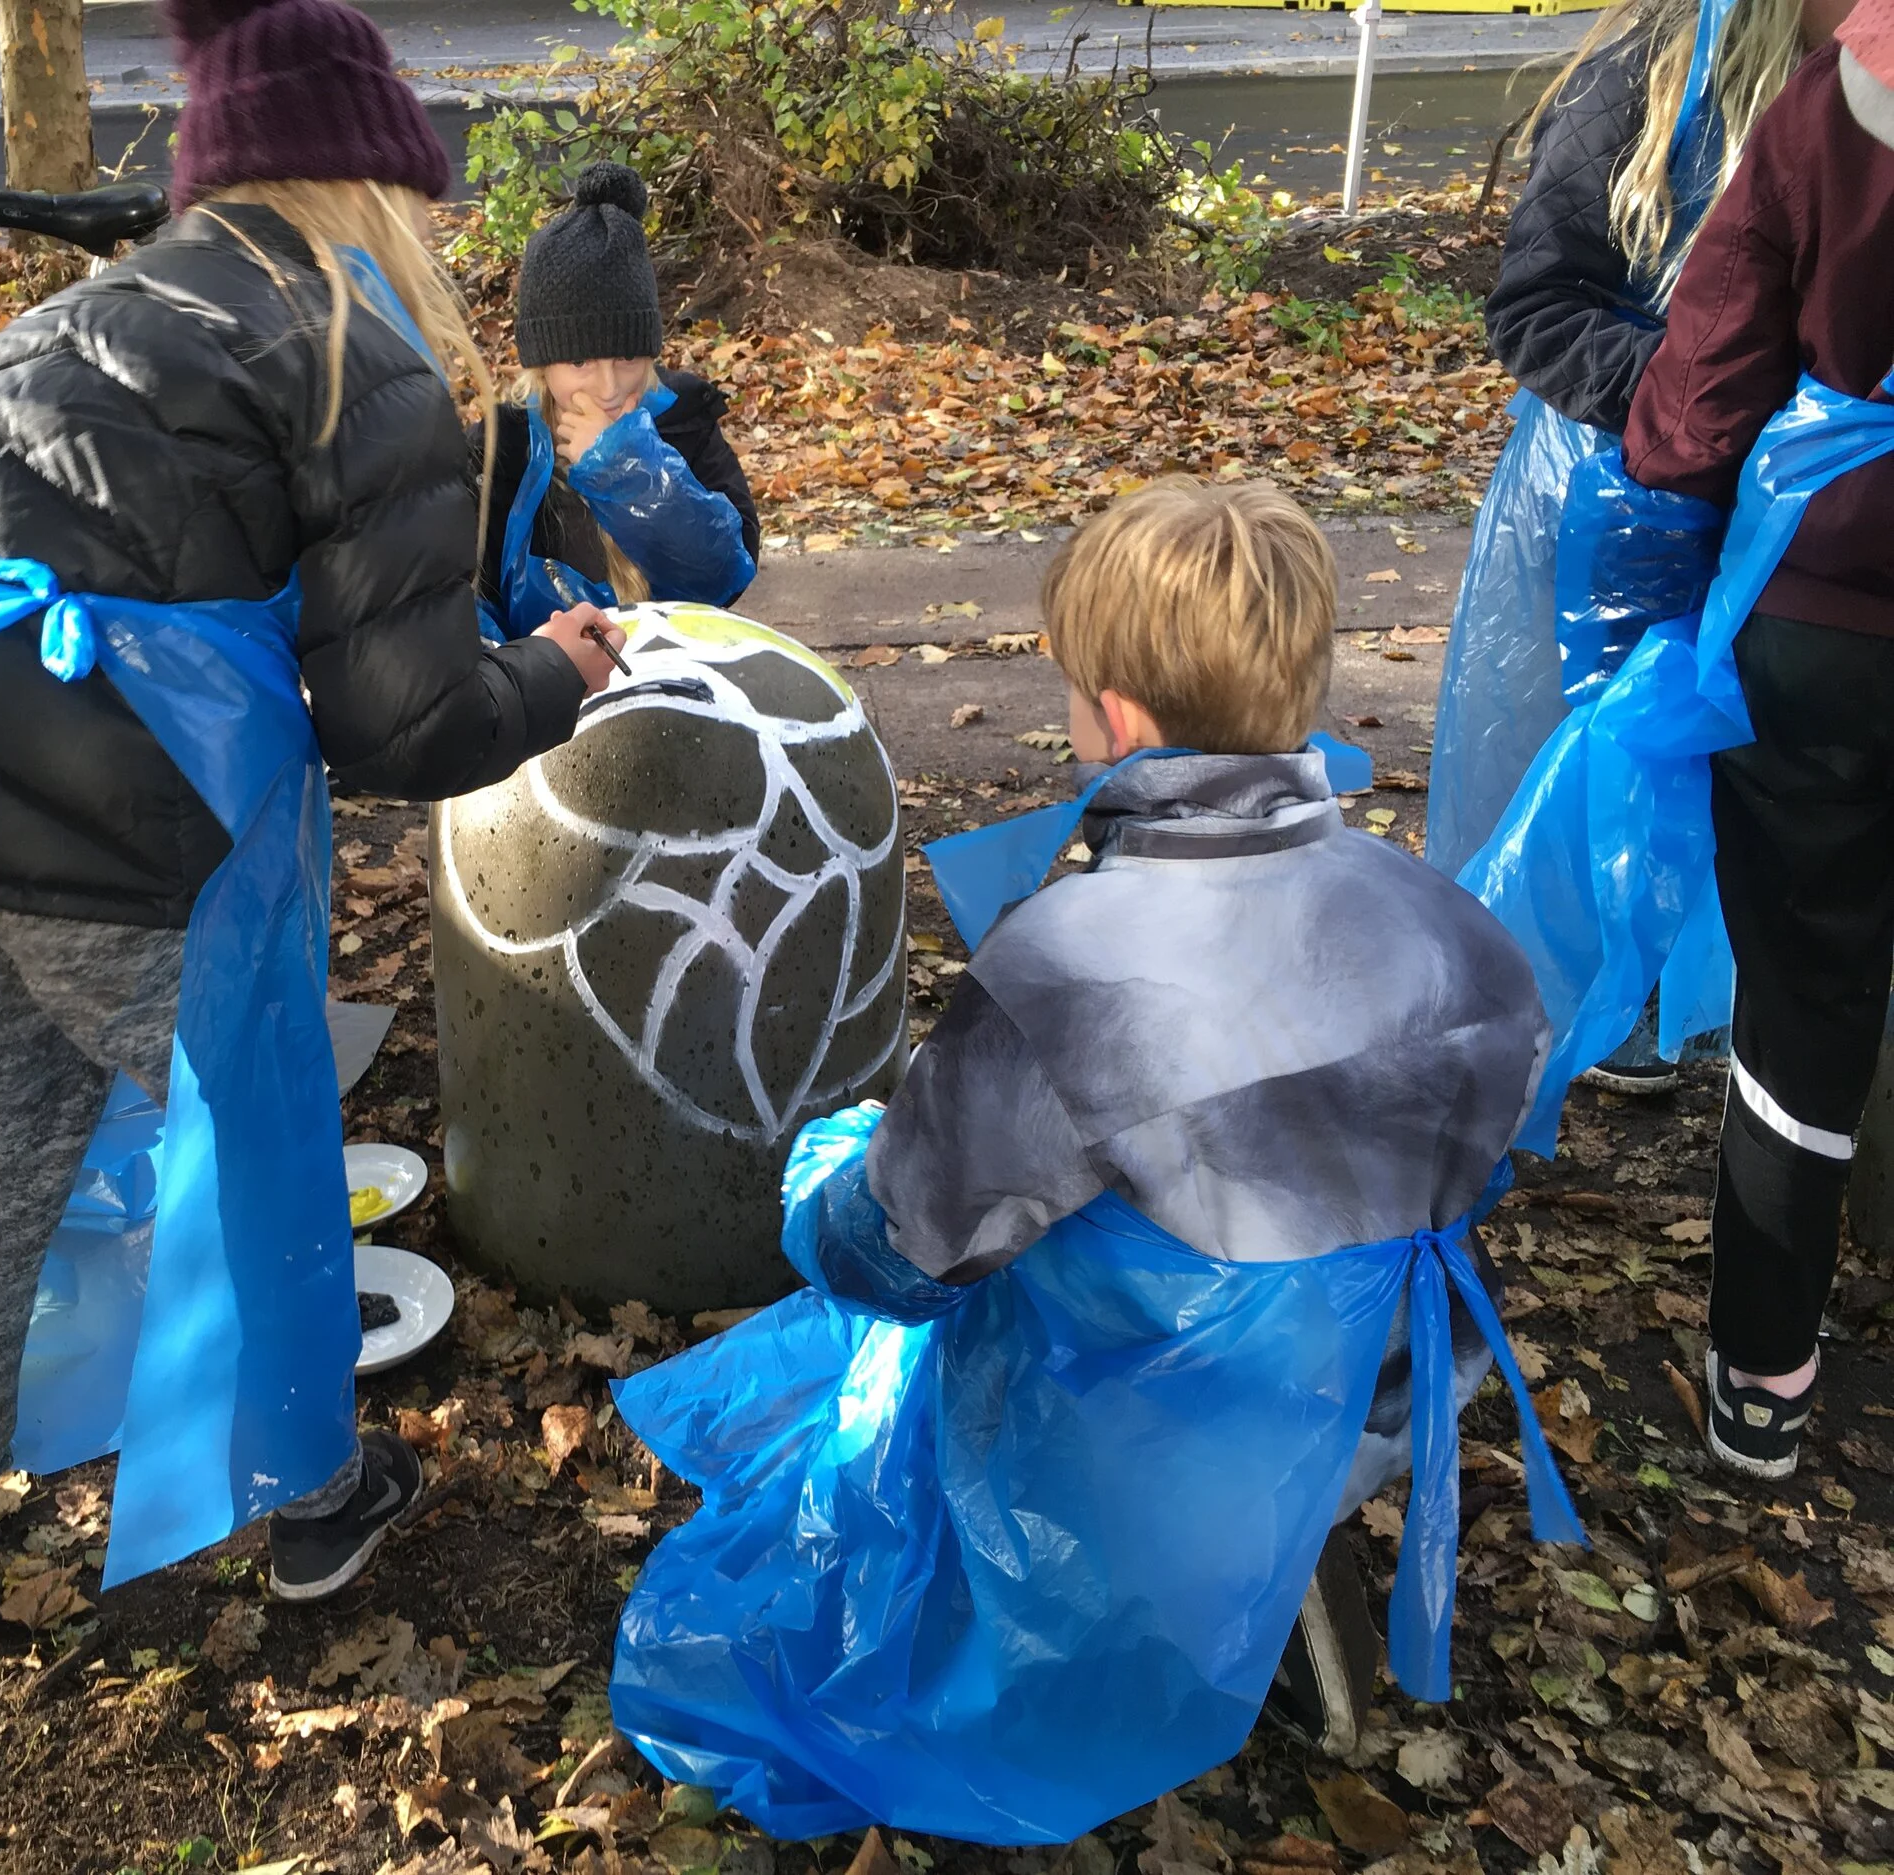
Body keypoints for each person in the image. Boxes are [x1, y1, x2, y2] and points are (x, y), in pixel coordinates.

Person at [0, 0, 627, 1618]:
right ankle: (315, 1500)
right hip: (122, 831)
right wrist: (555, 670)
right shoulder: (350, 347)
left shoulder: (61, 322)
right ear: (374, 184)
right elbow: (404, 724)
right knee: (258, 1142)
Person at [606, 479, 1575, 1843]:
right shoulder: (1452, 929)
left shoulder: (1073, 968)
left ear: (1114, 714)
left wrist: (827, 1170)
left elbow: (893, 1256)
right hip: (1377, 1397)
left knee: (872, 1313)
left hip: (1147, 1450)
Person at [1432, 0, 1822, 1092]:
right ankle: (1602, 994)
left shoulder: (1862, 96)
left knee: (1754, 750)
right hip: (1616, 494)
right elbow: (1536, 305)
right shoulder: (1642, 85)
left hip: (1792, 502)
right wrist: (1704, 402)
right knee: (1601, 755)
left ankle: (1711, 991)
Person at [1622, 0, 1894, 1478]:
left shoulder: (1831, 105)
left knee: (1803, 994)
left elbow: (1690, 414)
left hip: (1828, 631)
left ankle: (1763, 1379)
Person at [471, 162, 760, 639]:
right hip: (544, 682)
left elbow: (721, 577)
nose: (608, 388)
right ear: (542, 365)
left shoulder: (685, 421)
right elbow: (463, 606)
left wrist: (626, 467)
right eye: (579, 362)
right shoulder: (499, 450)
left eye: (626, 358)